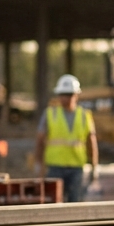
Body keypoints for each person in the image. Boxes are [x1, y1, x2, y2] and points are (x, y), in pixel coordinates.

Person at [35, 74, 98, 203]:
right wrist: (38, 164)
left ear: (76, 95)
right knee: (53, 202)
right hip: (54, 167)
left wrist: (94, 166)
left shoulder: (84, 115)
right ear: (58, 95)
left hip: (76, 168)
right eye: (63, 94)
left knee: (74, 203)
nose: (66, 98)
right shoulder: (50, 114)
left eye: (69, 94)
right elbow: (40, 141)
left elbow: (91, 142)